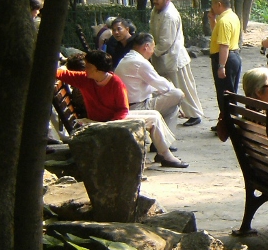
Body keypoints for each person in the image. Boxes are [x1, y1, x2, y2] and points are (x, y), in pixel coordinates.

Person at [56, 50, 186, 167]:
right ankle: (166, 155)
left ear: (98, 69)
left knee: (155, 115)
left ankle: (165, 153)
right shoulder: (85, 79)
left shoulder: (115, 83)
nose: (86, 69)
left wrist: (113, 121)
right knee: (154, 118)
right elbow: (62, 73)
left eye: (88, 66)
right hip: (104, 121)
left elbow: (123, 110)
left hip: (113, 118)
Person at [150, 0, 205, 126]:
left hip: (174, 58)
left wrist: (150, 52)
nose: (155, 1)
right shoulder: (156, 11)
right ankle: (174, 111)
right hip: (161, 58)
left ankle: (195, 114)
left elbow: (165, 42)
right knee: (165, 88)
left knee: (184, 87)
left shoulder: (170, 16)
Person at [116, 32, 184, 131]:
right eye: (153, 47)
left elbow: (154, 86)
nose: (153, 51)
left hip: (129, 104)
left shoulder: (127, 58)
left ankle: (163, 140)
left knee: (173, 105)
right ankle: (162, 142)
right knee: (177, 94)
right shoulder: (140, 62)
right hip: (136, 107)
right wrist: (177, 97)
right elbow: (162, 85)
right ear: (146, 46)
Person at [209, 0, 242, 126]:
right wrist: (212, 20)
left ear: (219, 4)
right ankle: (226, 121)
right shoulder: (231, 16)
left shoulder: (224, 21)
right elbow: (218, 35)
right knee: (229, 91)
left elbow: (224, 45)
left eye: (213, 4)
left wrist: (221, 66)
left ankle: (229, 123)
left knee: (225, 94)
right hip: (233, 56)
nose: (212, 7)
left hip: (225, 58)